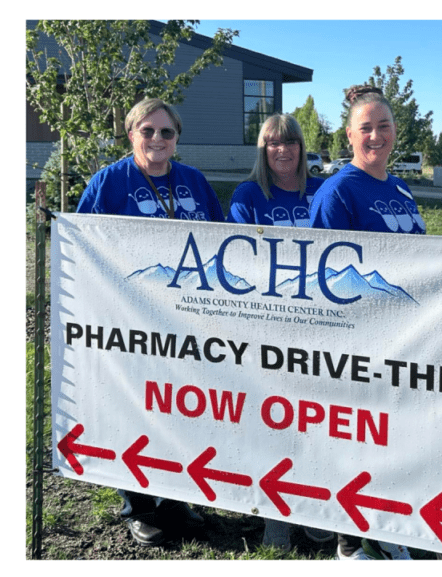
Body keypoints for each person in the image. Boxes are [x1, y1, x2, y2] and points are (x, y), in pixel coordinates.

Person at [76, 98, 223, 547]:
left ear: (177, 138)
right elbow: (80, 243)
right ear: (131, 134)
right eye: (148, 131)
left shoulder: (194, 181)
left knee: (182, 410)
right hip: (133, 321)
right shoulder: (109, 182)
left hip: (189, 323)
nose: (157, 140)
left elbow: (220, 239)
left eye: (167, 133)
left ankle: (176, 499)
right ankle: (138, 505)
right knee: (136, 411)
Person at [309, 85, 425, 561]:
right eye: (366, 128)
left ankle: (384, 524)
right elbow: (322, 276)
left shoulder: (399, 187)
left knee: (389, 438)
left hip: (404, 336)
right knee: (353, 438)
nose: (376, 136)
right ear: (349, 134)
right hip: (357, 340)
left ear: (396, 131)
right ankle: (348, 539)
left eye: (384, 126)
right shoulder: (336, 192)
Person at [226, 113, 333, 551]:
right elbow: (234, 256)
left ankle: (311, 504)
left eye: (290, 142)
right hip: (268, 330)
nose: (283, 150)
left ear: (302, 147)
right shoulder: (249, 195)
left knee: (316, 421)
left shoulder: (321, 191)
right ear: (262, 150)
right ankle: (273, 512)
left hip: (320, 329)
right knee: (272, 420)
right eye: (273, 143)